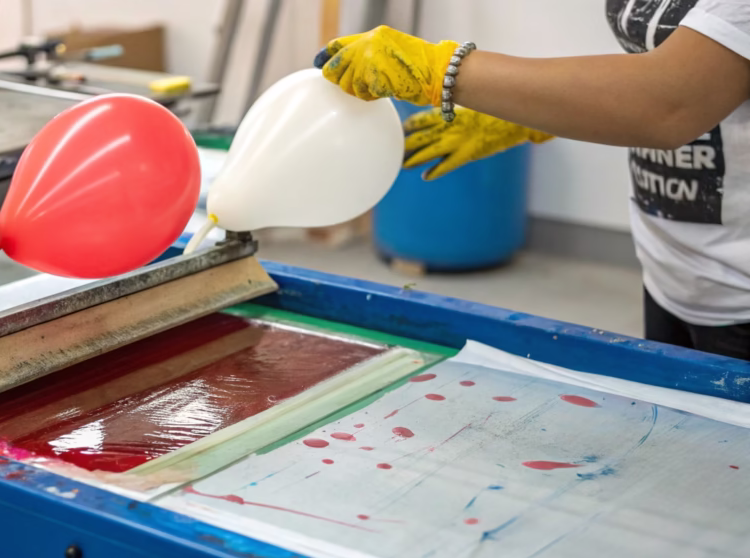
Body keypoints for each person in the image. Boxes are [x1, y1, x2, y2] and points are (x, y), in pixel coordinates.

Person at [314, 0, 750, 361]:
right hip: (672, 267)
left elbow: (667, 104)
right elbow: (656, 55)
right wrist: (531, 117)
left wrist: (441, 70)